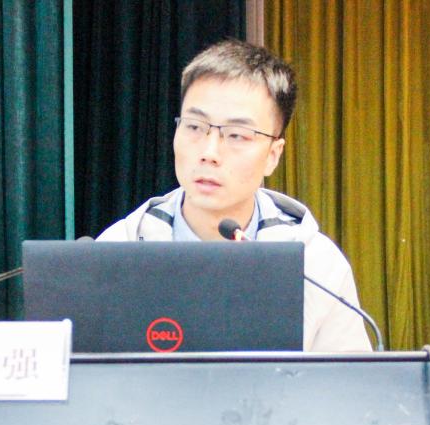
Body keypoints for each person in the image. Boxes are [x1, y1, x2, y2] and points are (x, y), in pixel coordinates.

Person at [97, 39, 372, 352]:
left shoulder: (316, 267)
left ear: (273, 155)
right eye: (194, 127)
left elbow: (346, 380)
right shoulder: (116, 252)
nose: (209, 152)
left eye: (237, 135)